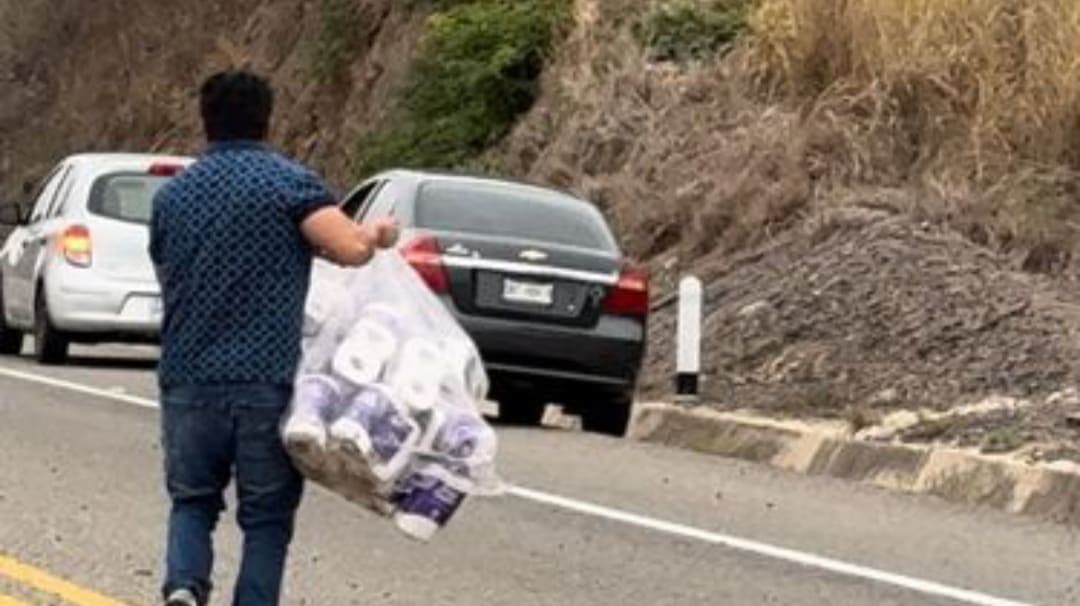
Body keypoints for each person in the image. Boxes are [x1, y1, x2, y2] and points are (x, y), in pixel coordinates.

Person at [149, 70, 397, 606]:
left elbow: (164, 268)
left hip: (188, 375)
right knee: (266, 518)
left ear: (205, 121)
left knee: (192, 501)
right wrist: (378, 234)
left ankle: (184, 586)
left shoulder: (173, 197)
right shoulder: (288, 185)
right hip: (267, 380)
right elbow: (351, 248)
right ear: (267, 119)